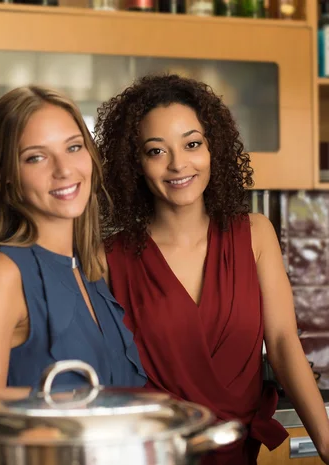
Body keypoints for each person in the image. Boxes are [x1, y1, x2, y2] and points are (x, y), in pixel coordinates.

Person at [95, 74, 329, 464]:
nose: (178, 164)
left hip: (237, 452)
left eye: (192, 144)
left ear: (212, 148)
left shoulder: (255, 234)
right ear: (134, 163)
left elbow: (285, 344)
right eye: (156, 151)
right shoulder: (109, 259)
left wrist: (325, 443)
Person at [0, 85, 147, 394]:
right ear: (5, 175)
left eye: (73, 147)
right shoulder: (2, 273)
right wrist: (79, 408)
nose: (64, 169)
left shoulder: (89, 269)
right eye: (36, 157)